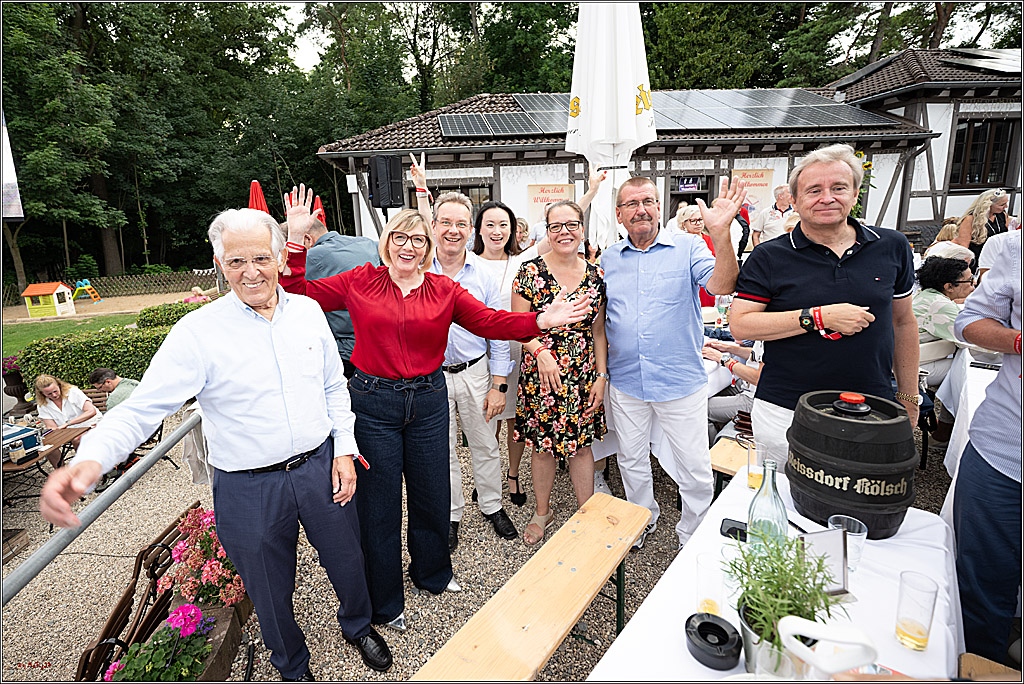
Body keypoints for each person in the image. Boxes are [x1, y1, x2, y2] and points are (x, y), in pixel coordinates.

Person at [40, 207, 394, 679]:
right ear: (218, 261)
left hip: (319, 465)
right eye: (235, 261)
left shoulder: (309, 313)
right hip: (247, 487)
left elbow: (334, 387)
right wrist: (88, 463)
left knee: (349, 559)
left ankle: (358, 624)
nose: (251, 272)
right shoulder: (197, 333)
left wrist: (345, 449)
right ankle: (291, 665)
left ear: (281, 258)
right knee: (267, 590)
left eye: (261, 259)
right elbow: (142, 407)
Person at [279, 187, 590, 632]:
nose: (409, 246)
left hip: (427, 398)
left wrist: (540, 320)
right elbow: (297, 292)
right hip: (374, 401)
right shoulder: (361, 279)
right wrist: (294, 240)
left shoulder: (443, 288)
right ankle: (386, 601)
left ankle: (432, 573)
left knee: (431, 494)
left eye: (419, 240)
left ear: (428, 248)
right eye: (401, 238)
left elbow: (489, 321)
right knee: (380, 506)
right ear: (387, 242)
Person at [730, 143, 920, 466]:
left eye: (838, 188)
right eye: (814, 190)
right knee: (784, 505)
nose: (827, 198)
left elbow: (903, 323)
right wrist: (818, 317)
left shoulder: (891, 246)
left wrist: (908, 396)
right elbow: (741, 325)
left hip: (871, 405)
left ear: (855, 193)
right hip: (785, 409)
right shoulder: (770, 256)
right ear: (795, 199)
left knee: (863, 502)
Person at [602, 174, 745, 550]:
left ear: (659, 206)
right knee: (631, 460)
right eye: (631, 204)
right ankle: (642, 518)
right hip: (627, 382)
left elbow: (722, 285)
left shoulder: (688, 246)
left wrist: (722, 235)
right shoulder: (609, 258)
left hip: (679, 383)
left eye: (647, 200)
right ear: (619, 215)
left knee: (694, 469)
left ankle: (693, 534)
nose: (641, 209)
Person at [425, 190, 521, 552]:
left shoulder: (482, 274)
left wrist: (499, 383)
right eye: (446, 222)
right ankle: (451, 515)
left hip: (475, 371)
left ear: (471, 230)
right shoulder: (418, 269)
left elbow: (496, 328)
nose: (453, 230)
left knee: (484, 443)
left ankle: (493, 506)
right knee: (442, 449)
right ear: (433, 226)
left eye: (461, 223)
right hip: (431, 376)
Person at [512, 199, 608, 545]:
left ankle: (584, 510)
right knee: (543, 446)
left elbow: (598, 332)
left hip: (583, 373)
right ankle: (543, 511)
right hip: (543, 373)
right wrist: (541, 353)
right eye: (556, 226)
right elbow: (518, 327)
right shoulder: (529, 273)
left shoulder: (597, 276)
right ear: (547, 231)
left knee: (582, 447)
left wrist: (601, 376)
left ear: (582, 229)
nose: (564, 232)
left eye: (571, 225)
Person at [951, 229, 1020, 664]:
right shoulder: (1015, 251)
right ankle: (984, 661)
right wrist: (1017, 340)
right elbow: (968, 321)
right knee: (980, 583)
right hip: (1004, 450)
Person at [289, 214, 380, 378]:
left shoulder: (313, 256)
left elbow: (289, 291)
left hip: (346, 351)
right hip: (378, 346)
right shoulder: (367, 242)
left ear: (307, 239)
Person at [913, 256, 975, 442]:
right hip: (907, 369)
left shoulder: (927, 295)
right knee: (961, 371)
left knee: (959, 365)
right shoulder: (939, 305)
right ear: (949, 286)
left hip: (902, 361)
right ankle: (945, 434)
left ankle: (945, 432)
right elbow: (971, 339)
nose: (973, 285)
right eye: (969, 281)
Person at [701, 340, 764, 444]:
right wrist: (729, 348)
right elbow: (757, 355)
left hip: (757, 398)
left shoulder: (777, 337)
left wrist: (724, 359)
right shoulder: (772, 334)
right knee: (708, 395)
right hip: (749, 387)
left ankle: (713, 453)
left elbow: (758, 378)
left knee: (700, 408)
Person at [34, 374, 101, 466]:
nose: (54, 395)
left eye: (55, 391)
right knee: (47, 446)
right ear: (42, 394)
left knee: (77, 439)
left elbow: (91, 411)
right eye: (49, 394)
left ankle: (86, 467)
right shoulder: (42, 405)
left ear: (59, 386)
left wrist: (68, 423)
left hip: (90, 424)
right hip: (67, 432)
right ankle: (61, 472)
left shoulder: (73, 392)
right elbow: (51, 427)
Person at [953, 188, 1010, 263]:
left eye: (1006, 203)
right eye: (1002, 204)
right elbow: (964, 246)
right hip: (978, 259)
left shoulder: (1002, 215)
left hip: (997, 258)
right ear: (988, 205)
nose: (1006, 206)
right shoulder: (970, 219)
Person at [676, 205, 717, 308]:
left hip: (708, 287)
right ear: (683, 224)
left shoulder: (711, 239)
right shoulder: (680, 242)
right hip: (689, 287)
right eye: (693, 221)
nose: (698, 223)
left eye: (700, 219)